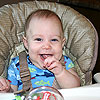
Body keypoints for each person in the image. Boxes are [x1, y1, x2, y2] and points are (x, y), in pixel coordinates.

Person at [0, 9, 80, 92]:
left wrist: (61, 73)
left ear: (62, 43)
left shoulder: (65, 63)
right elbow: (13, 94)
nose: (47, 46)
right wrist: (6, 90)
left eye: (54, 40)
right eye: (38, 39)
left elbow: (76, 87)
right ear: (26, 43)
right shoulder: (16, 65)